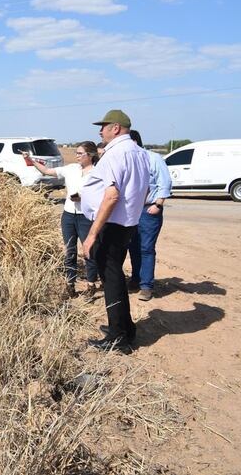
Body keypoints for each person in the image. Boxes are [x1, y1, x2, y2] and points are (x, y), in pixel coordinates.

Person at [80, 110, 150, 353]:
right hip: (126, 224)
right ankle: (124, 328)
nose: (100, 131)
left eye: (104, 126)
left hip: (111, 226)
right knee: (115, 277)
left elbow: (111, 196)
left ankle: (118, 337)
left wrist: (91, 235)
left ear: (116, 128)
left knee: (111, 279)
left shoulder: (116, 154)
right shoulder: (139, 153)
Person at [23, 142, 100, 299]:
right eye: (76, 152)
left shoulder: (98, 173)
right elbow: (46, 170)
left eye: (80, 153)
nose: (77, 155)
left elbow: (101, 196)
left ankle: (91, 285)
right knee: (70, 251)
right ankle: (70, 285)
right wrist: (30, 159)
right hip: (68, 215)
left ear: (90, 155)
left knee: (89, 251)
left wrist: (83, 197)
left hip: (86, 217)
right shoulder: (71, 169)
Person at [127, 130, 172, 301]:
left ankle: (146, 286)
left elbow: (165, 182)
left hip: (148, 210)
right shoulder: (129, 161)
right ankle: (135, 279)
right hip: (132, 210)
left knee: (146, 248)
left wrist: (158, 204)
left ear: (134, 141)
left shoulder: (153, 158)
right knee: (133, 247)